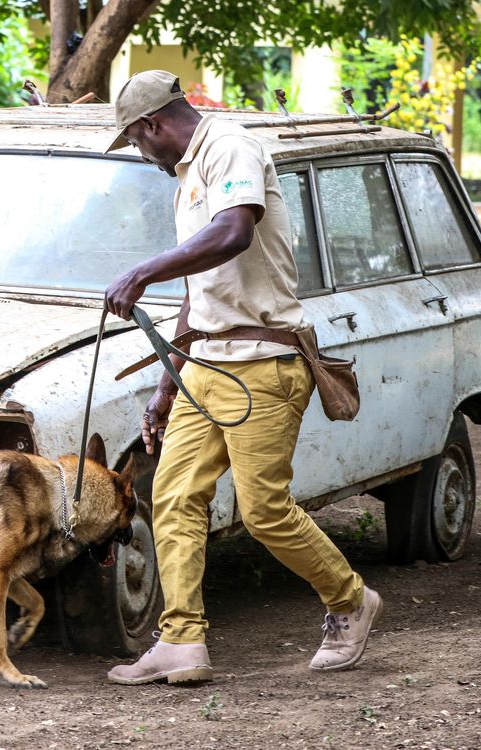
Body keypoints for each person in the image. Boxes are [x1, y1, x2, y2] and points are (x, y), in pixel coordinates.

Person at [102, 70, 382, 686]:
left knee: (263, 512)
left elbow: (234, 232)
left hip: (264, 364)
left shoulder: (229, 146)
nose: (142, 155)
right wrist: (166, 382)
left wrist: (142, 271)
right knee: (173, 498)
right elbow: (197, 292)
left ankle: (350, 600)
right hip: (208, 367)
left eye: (137, 141)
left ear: (153, 125)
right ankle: (181, 642)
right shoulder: (185, 175)